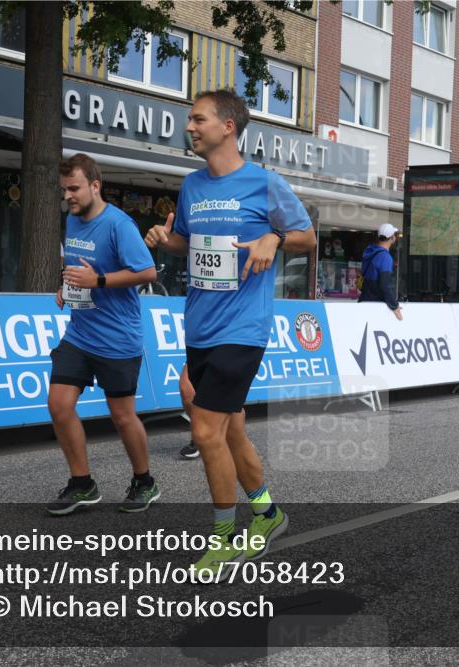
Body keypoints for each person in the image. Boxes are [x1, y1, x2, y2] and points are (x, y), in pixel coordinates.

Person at [144, 89, 315, 576]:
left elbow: (306, 236)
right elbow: (186, 245)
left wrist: (274, 236)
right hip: (199, 325)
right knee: (231, 429)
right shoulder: (192, 185)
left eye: (198, 119)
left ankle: (224, 538)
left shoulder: (265, 183)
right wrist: (166, 240)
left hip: (243, 328)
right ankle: (267, 512)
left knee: (203, 431)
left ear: (228, 127)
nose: (189, 127)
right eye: (188, 119)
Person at [46, 153, 159, 516]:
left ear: (95, 186)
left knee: (122, 415)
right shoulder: (73, 220)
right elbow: (77, 266)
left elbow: (147, 272)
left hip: (117, 337)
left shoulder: (118, 225)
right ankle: (83, 483)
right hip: (80, 333)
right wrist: (68, 287)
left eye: (75, 189)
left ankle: (145, 481)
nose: (69, 196)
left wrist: (98, 281)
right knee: (59, 404)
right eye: (65, 190)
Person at [358, 223, 403, 320]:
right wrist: (394, 306)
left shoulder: (370, 251)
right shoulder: (385, 257)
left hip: (363, 301)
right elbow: (384, 285)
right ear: (392, 238)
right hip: (375, 306)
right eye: (394, 235)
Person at [178, 364, 199, 460]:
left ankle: (239, 439)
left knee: (225, 397)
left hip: (227, 350)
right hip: (198, 350)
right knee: (185, 389)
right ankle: (199, 438)